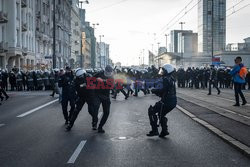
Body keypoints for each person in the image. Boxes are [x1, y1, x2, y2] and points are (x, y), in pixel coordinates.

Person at [147, 64, 177, 138]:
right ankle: (164, 131)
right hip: (172, 101)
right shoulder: (171, 78)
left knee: (151, 111)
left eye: (163, 70)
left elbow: (162, 90)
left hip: (166, 102)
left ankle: (155, 131)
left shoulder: (166, 79)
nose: (162, 72)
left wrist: (154, 91)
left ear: (168, 71)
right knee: (161, 114)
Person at [92, 65, 114, 133]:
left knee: (107, 112)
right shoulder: (99, 73)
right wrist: (96, 80)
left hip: (106, 96)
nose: (108, 74)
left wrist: (102, 81)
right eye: (107, 73)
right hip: (97, 94)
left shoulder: (111, 77)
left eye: (110, 73)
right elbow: (91, 79)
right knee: (95, 108)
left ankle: (100, 127)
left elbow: (111, 86)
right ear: (105, 71)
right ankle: (94, 122)